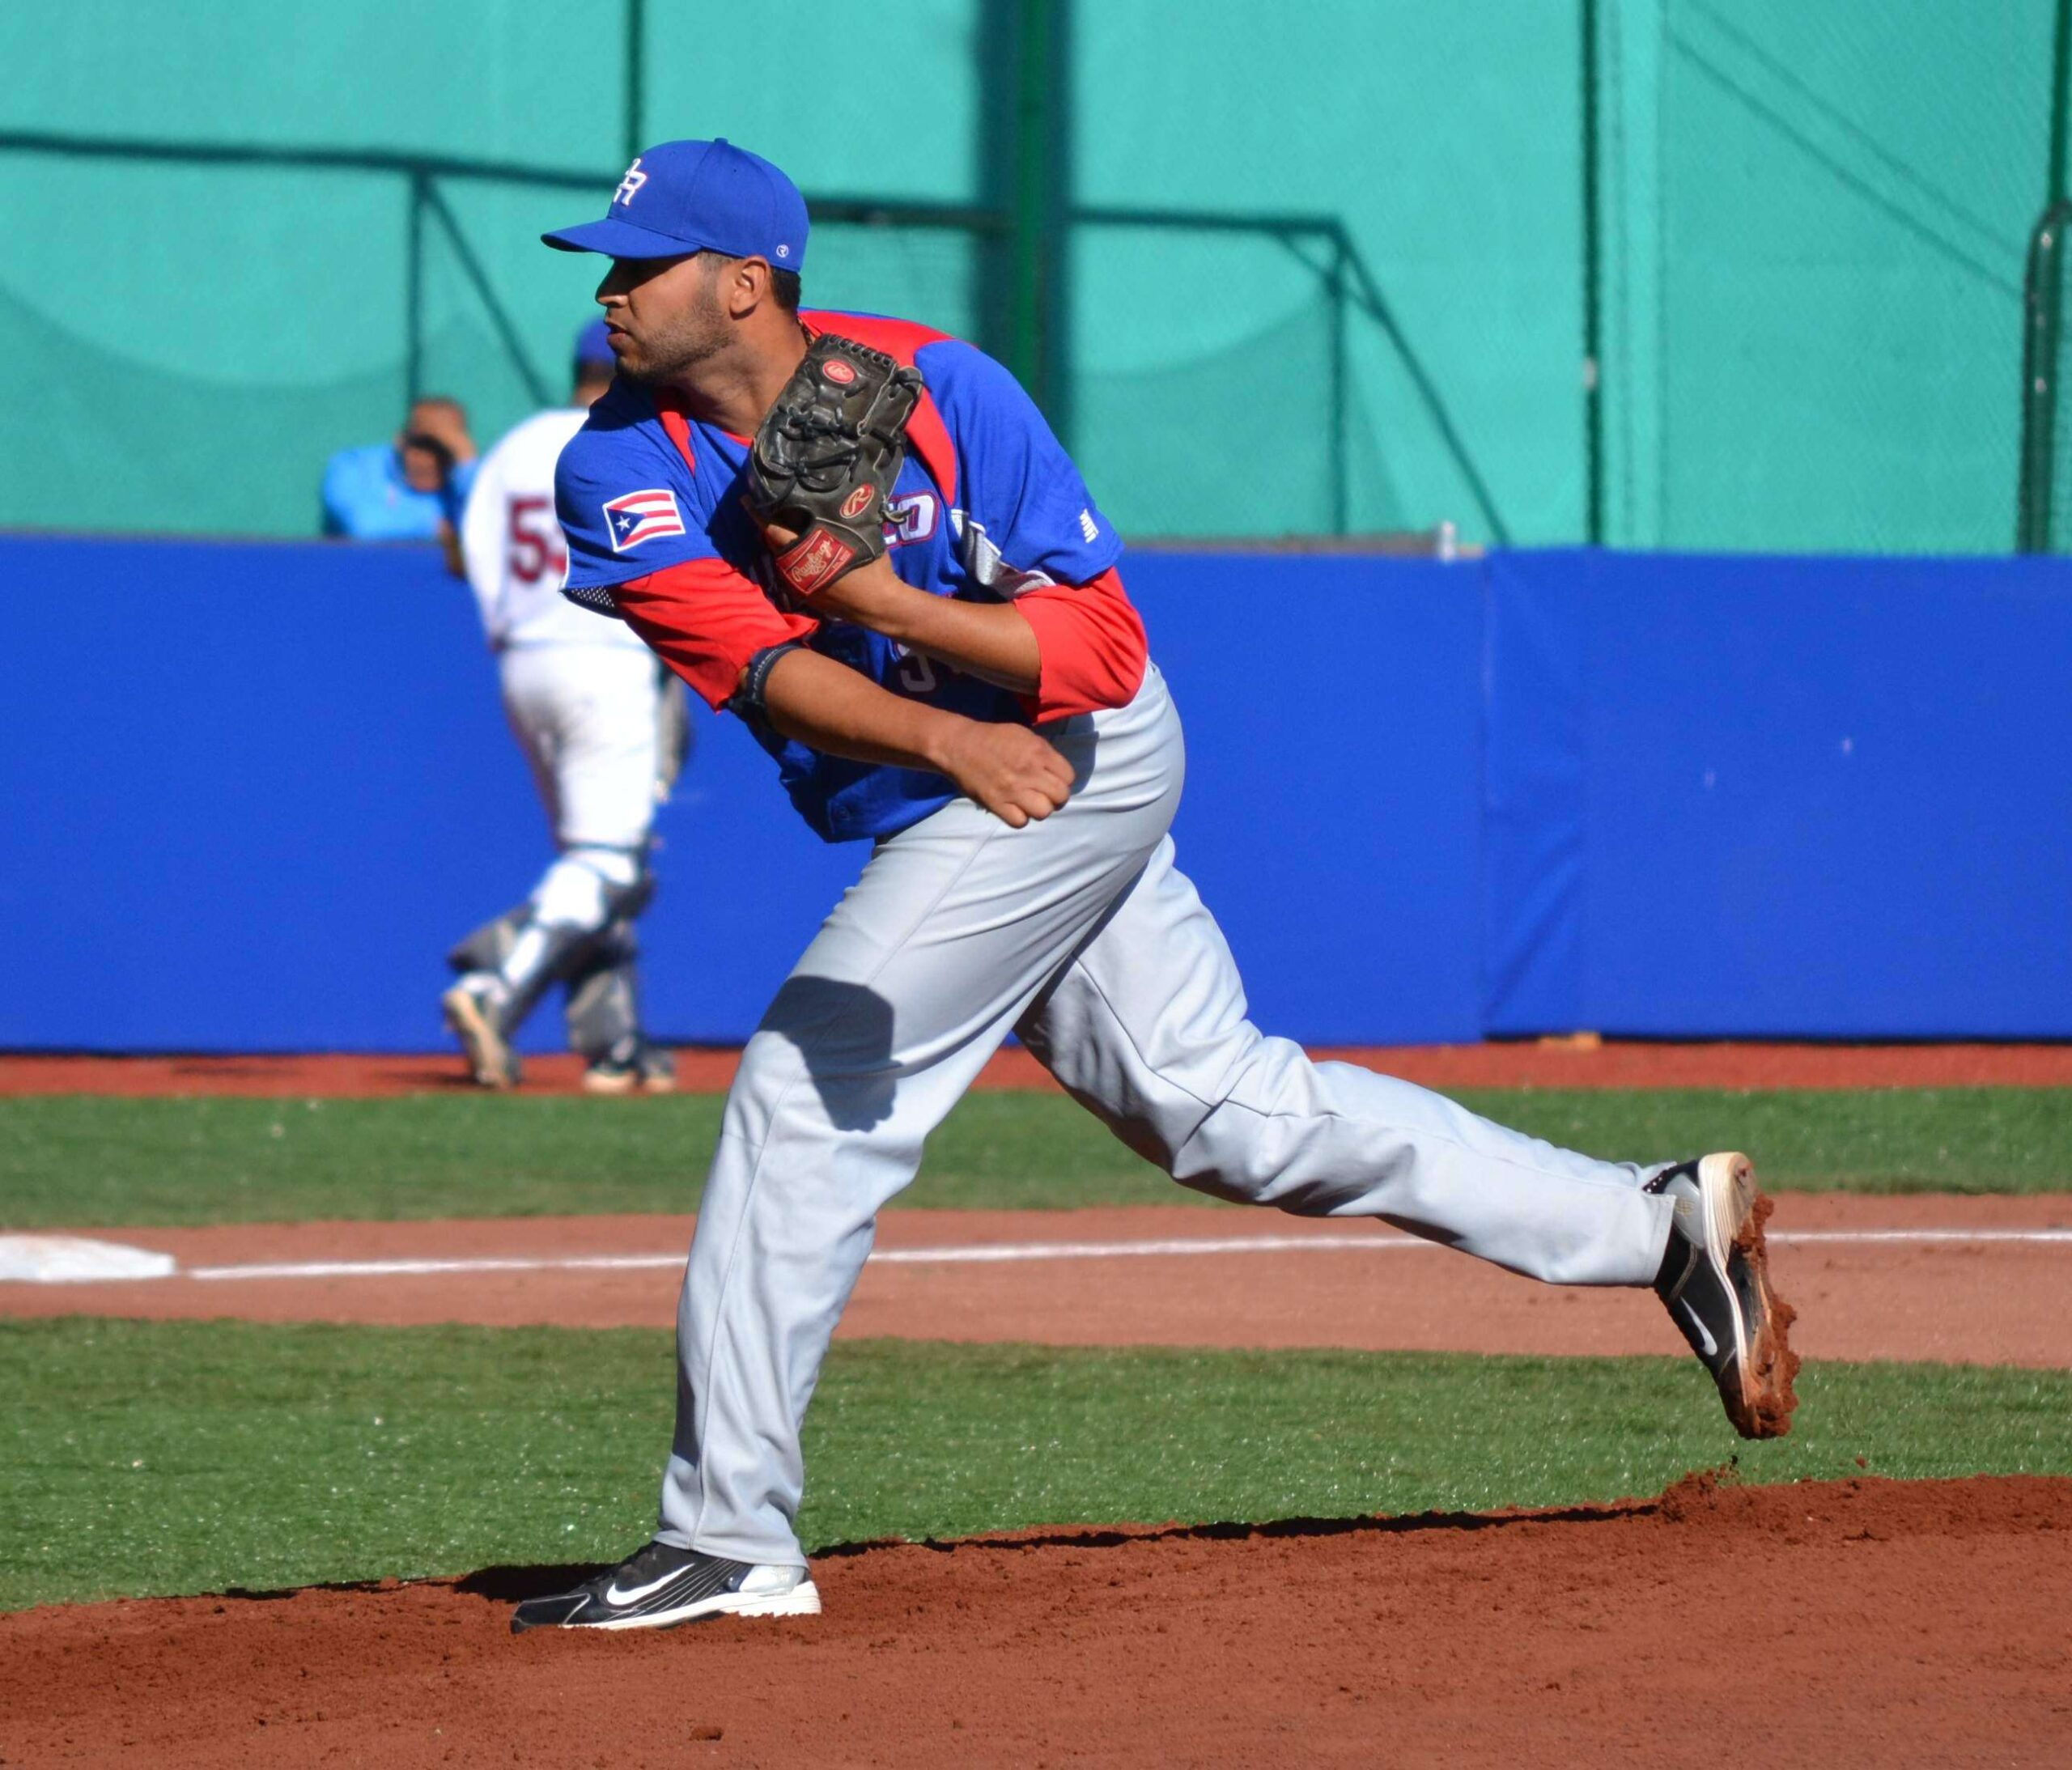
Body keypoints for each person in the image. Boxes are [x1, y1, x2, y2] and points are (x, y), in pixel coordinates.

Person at [508, 139, 1797, 1634]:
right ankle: (1659, 1228)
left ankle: (728, 1534)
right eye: (608, 264)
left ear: (746, 284)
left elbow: (1103, 655)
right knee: (1226, 1110)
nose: (609, 291)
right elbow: (767, 674)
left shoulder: (945, 390)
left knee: (809, 1081)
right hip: (956, 784)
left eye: (639, 263)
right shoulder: (614, 462)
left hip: (1084, 756)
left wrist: (890, 606)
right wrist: (935, 727)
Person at [440, 322, 685, 1094]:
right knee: (610, 862)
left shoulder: (517, 445)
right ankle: (496, 982)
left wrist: (511, 633)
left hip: (524, 659)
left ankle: (616, 1046)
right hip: (605, 659)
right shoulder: (634, 438)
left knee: (596, 865)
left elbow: (470, 552)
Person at [321, 394, 479, 542]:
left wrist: (466, 463)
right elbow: (363, 526)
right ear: (400, 440)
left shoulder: (463, 478)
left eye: (444, 450)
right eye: (423, 446)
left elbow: (485, 525)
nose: (431, 461)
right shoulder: (353, 466)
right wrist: (433, 526)